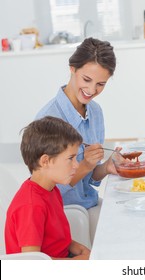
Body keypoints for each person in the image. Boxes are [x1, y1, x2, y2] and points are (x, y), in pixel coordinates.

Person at [35, 37, 117, 242]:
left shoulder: (95, 112)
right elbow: (47, 189)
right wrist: (85, 164)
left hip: (88, 203)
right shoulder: (48, 120)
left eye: (101, 84)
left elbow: (90, 178)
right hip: (63, 211)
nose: (92, 90)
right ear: (72, 69)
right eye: (86, 80)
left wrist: (107, 166)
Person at [5, 116, 90, 259]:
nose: (76, 165)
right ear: (45, 161)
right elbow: (32, 263)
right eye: (71, 158)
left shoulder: (51, 188)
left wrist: (76, 248)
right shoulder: (31, 206)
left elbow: (55, 238)